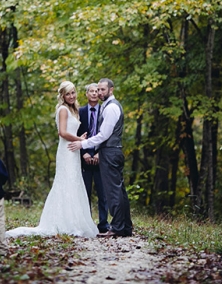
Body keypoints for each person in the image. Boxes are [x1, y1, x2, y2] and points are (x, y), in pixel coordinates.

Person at [7, 81, 98, 238]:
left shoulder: (73, 109)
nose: (71, 96)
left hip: (74, 150)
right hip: (67, 150)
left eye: (73, 92)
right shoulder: (63, 109)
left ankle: (74, 221)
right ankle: (64, 222)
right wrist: (80, 140)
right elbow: (62, 132)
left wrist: (79, 140)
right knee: (66, 181)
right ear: (62, 95)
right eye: (68, 93)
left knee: (74, 182)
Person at [68, 78, 133, 237]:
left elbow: (103, 135)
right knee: (120, 190)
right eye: (98, 89)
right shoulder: (110, 106)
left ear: (111, 90)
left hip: (110, 152)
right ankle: (126, 227)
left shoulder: (111, 108)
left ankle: (117, 227)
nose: (99, 92)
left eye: (102, 89)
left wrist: (82, 144)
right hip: (113, 151)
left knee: (113, 191)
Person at [77, 83, 109, 233]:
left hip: (100, 157)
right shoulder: (80, 112)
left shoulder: (105, 111)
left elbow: (108, 135)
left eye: (97, 91)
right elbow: (75, 134)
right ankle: (87, 223)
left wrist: (99, 153)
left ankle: (103, 223)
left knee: (102, 193)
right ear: (87, 94)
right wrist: (83, 152)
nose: (95, 93)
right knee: (85, 193)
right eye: (91, 91)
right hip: (83, 158)